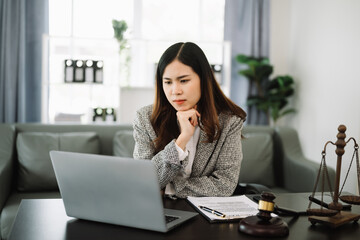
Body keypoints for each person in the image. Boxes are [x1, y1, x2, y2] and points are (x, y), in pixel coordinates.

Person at [133, 42, 246, 198]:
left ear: (204, 79)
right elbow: (144, 180)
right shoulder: (145, 118)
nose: (175, 91)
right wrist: (182, 140)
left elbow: (224, 185)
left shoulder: (229, 122)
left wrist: (168, 189)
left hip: (206, 216)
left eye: (184, 80)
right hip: (158, 213)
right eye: (168, 82)